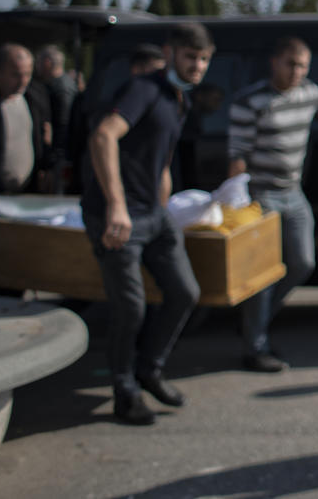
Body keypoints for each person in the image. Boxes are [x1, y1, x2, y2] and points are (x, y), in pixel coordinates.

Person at [80, 22, 213, 425]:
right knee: (130, 308)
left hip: (154, 216)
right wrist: (117, 207)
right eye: (191, 57)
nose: (198, 66)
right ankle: (124, 391)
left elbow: (163, 157)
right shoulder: (144, 88)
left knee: (184, 292)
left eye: (205, 59)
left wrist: (164, 207)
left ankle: (149, 369)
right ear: (170, 52)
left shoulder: (178, 99)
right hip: (117, 217)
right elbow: (104, 137)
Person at [227, 37, 318, 373]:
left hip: (293, 193)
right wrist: (239, 204)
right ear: (275, 62)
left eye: (303, 65)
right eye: (291, 64)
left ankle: (255, 319)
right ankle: (255, 345)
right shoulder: (250, 101)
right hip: (260, 196)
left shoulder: (309, 92)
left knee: (303, 262)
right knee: (263, 274)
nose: (297, 72)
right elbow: (238, 156)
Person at [0, 43, 52, 194]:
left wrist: (46, 166)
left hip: (28, 192)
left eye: (27, 74)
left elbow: (44, 136)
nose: (23, 81)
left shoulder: (34, 98)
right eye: (16, 74)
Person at [35, 45, 79, 193]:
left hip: (61, 155)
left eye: (38, 62)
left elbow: (63, 124)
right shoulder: (62, 85)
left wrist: (53, 159)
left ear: (47, 62)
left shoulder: (61, 88)